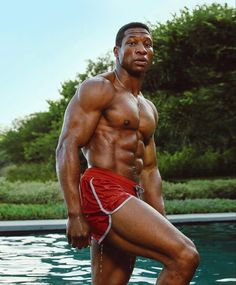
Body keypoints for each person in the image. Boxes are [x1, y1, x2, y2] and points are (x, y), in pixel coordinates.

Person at [56, 22, 199, 285]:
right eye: (132, 43)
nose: (141, 49)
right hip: (103, 190)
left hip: (130, 195)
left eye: (147, 44)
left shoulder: (148, 108)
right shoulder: (99, 88)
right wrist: (74, 213)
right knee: (185, 256)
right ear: (117, 51)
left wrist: (159, 220)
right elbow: (67, 146)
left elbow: (149, 168)